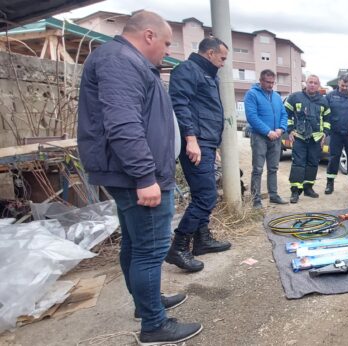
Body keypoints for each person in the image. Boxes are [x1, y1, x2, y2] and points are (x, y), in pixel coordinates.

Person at [77, 11, 202, 344]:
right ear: (148, 35)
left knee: (136, 243)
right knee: (150, 248)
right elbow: (122, 124)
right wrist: (145, 176)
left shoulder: (125, 60)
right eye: (165, 43)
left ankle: (146, 304)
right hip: (137, 176)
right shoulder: (121, 61)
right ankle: (154, 324)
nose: (166, 50)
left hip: (133, 172)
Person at [167, 37, 232, 273]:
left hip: (205, 142)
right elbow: (180, 105)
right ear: (211, 53)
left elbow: (206, 111)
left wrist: (212, 146)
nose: (224, 63)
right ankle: (179, 246)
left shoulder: (207, 74)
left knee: (201, 193)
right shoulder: (187, 70)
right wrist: (191, 139)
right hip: (196, 142)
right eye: (222, 58)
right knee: (206, 196)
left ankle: (202, 240)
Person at [244, 69, 289, 208]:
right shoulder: (252, 94)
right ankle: (256, 199)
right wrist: (267, 131)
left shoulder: (276, 96)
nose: (270, 85)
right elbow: (252, 117)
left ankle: (273, 195)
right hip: (259, 137)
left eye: (272, 82)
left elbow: (284, 114)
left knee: (273, 168)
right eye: (268, 82)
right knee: (257, 168)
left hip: (276, 137)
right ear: (261, 80)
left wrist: (281, 129)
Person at [285, 75, 330, 203]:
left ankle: (308, 188)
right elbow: (285, 114)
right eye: (310, 82)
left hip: (315, 139)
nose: (312, 85)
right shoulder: (295, 97)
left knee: (313, 163)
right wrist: (290, 130)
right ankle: (295, 191)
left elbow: (327, 120)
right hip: (299, 137)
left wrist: (325, 134)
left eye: (315, 83)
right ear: (306, 83)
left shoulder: (323, 101)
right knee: (298, 163)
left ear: (319, 85)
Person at [324, 74, 348, 195]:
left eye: (347, 85)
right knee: (334, 157)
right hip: (336, 133)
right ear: (338, 83)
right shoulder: (330, 96)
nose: (344, 88)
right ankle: (330, 183)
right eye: (342, 85)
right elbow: (325, 114)